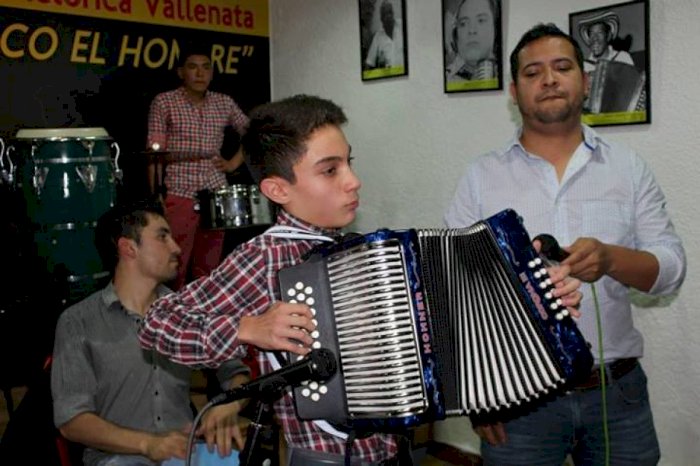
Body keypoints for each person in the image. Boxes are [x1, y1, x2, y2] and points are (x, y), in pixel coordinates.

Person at [137, 94, 581, 465]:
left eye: (348, 163)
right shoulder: (266, 256)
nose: (353, 181)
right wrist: (246, 328)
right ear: (277, 190)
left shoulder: (364, 254)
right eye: (330, 170)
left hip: (394, 453)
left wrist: (538, 300)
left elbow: (443, 333)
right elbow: (158, 324)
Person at [444, 23, 686, 465]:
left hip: (617, 397)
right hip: (518, 400)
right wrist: (474, 397)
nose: (549, 80)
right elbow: (455, 293)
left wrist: (611, 259)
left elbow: (670, 271)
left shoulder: (629, 169)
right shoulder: (480, 177)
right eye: (533, 72)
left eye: (562, 67)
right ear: (514, 92)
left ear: (585, 79)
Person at [51, 200, 250, 466]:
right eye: (162, 237)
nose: (177, 248)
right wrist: (148, 444)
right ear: (128, 248)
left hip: (185, 454)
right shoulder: (79, 321)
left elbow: (237, 374)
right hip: (116, 459)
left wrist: (229, 406)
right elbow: (72, 421)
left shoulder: (188, 313)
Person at [147, 44, 249, 290]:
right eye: (193, 67)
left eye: (206, 68)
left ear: (212, 73)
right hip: (179, 190)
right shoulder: (165, 102)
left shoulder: (223, 103)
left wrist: (233, 162)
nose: (200, 74)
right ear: (181, 72)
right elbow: (154, 153)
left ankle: (204, 316)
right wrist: (156, 194)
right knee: (174, 261)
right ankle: (171, 314)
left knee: (211, 263)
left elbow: (253, 132)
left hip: (215, 190)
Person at [445, 0, 500, 82]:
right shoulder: (447, 79)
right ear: (456, 35)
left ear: (495, 28)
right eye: (463, 23)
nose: (471, 30)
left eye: (481, 20)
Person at [364, 0, 404, 69]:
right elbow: (369, 63)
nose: (389, 16)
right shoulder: (378, 37)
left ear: (393, 13)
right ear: (381, 19)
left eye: (390, 12)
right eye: (386, 14)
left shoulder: (402, 26)